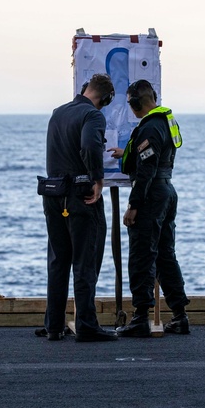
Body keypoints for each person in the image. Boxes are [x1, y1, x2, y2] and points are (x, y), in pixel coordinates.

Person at [41, 74, 118, 342]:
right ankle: (85, 324)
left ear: (85, 88)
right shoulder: (93, 116)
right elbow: (89, 146)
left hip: (53, 195)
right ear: (106, 99)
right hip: (80, 197)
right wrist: (98, 180)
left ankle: (54, 326)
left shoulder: (57, 112)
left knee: (58, 261)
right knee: (85, 261)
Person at [108, 79, 189, 337]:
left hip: (151, 194)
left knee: (142, 254)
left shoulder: (150, 127)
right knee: (165, 255)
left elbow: (146, 172)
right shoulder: (165, 120)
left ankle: (140, 317)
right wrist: (127, 154)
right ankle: (180, 315)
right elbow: (154, 156)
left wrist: (133, 205)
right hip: (167, 191)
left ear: (133, 104)